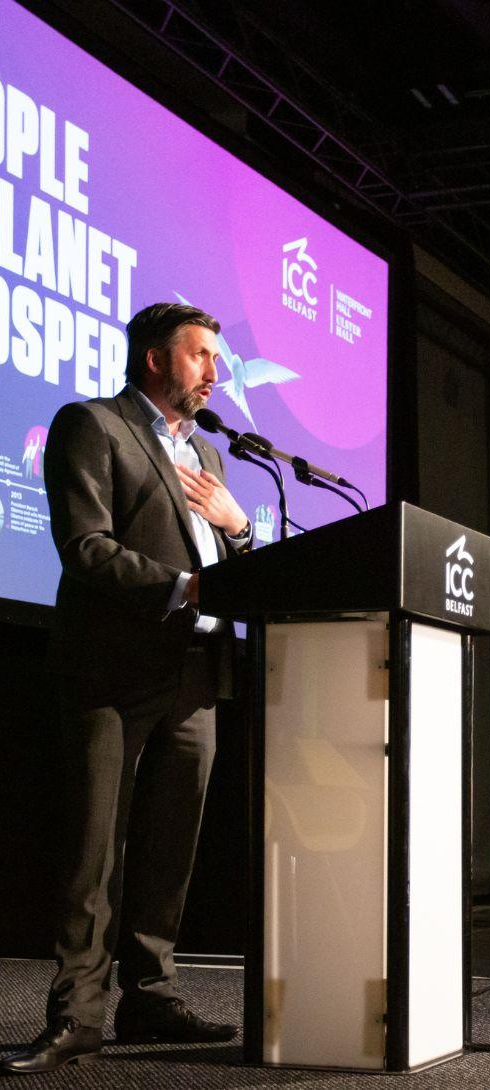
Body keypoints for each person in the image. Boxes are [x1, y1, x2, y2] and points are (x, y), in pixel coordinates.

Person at [1, 303, 253, 1075]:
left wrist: (241, 530)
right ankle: (77, 1015)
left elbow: (226, 559)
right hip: (112, 671)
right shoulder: (93, 425)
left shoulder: (208, 455)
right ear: (154, 358)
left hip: (194, 675)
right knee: (95, 850)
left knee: (170, 849)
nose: (215, 372)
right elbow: (86, 546)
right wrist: (186, 587)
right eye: (201, 355)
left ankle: (150, 995)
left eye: (217, 358)